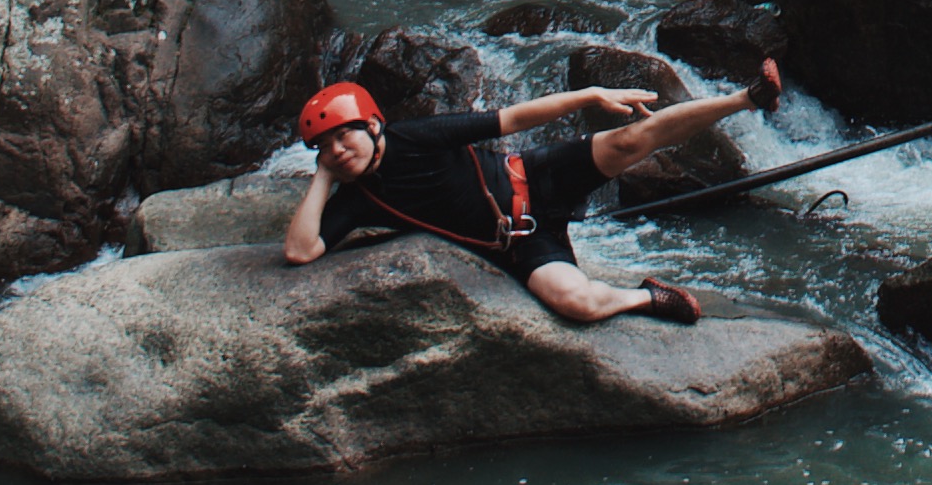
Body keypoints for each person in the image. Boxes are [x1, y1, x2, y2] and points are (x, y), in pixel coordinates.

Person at [281, 65, 782, 328]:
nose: (337, 151)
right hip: (519, 244)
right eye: (324, 148)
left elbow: (513, 118)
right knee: (577, 303)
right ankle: (649, 296)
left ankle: (747, 98)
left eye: (344, 137)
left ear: (372, 124)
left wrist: (589, 95)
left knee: (631, 140)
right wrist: (324, 178)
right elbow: (301, 251)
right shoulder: (360, 196)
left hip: (535, 177)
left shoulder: (418, 136)